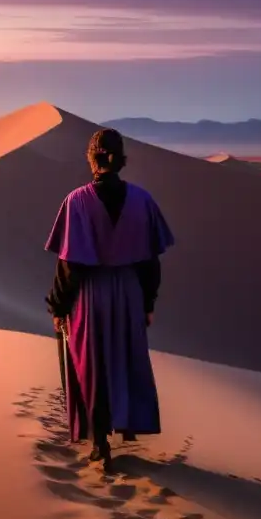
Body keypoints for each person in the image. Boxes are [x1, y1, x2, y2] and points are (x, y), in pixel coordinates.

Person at [44, 128, 174, 473]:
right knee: (124, 360)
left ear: (92, 157)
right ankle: (122, 424)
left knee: (91, 365)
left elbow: (69, 265)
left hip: (89, 295)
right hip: (129, 293)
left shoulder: (76, 201)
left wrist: (58, 306)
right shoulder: (143, 200)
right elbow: (151, 262)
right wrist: (148, 303)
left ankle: (100, 442)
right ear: (122, 159)